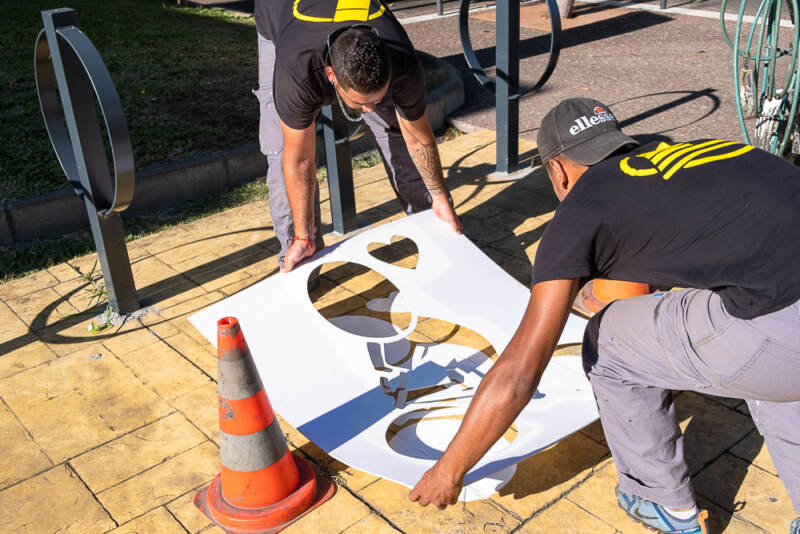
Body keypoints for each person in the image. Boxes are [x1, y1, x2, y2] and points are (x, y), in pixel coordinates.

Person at [408, 97, 800, 534]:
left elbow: (520, 371)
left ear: (556, 169)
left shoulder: (580, 213)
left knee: (608, 341)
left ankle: (662, 501)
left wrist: (449, 470)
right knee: (777, 368)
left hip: (787, 329)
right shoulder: (694, 154)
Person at [253, 0, 462, 272]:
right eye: (360, 103)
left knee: (396, 128)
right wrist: (303, 235)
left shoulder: (403, 62)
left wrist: (440, 196)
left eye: (377, 97)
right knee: (283, 153)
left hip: (350, 31)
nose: (369, 109)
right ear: (331, 76)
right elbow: (300, 161)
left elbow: (419, 139)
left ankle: (434, 229)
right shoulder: (296, 73)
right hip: (280, 15)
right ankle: (302, 257)